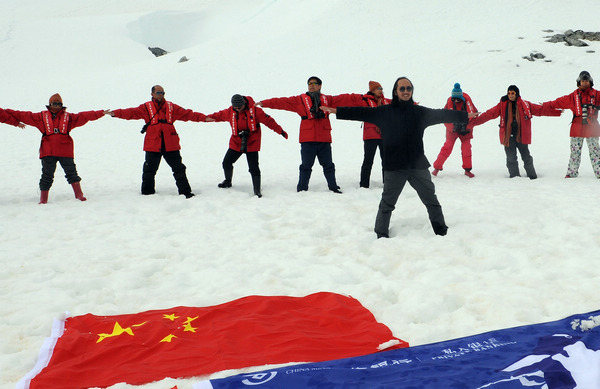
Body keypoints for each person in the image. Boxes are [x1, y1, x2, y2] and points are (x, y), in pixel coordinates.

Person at [321, 77, 478, 238]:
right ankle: (381, 235)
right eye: (402, 88)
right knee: (387, 204)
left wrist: (464, 115)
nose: (405, 91)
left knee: (431, 201)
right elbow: (361, 112)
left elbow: (442, 114)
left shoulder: (420, 112)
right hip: (395, 167)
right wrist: (337, 111)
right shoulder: (384, 112)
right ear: (396, 91)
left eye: (408, 88)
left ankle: (441, 231)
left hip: (418, 166)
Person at [256, 76, 363, 193]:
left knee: (328, 165)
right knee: (306, 165)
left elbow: (347, 98)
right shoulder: (299, 101)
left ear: (320, 86)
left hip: (324, 139)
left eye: (314, 83)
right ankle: (302, 189)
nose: (311, 85)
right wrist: (263, 103)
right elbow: (281, 102)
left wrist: (365, 98)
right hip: (307, 139)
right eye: (309, 83)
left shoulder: (329, 100)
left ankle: (333, 187)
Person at [107, 85, 207, 198]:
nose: (161, 95)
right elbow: (131, 113)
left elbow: (188, 114)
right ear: (152, 94)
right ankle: (147, 193)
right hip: (153, 144)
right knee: (149, 170)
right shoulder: (145, 107)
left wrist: (204, 118)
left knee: (179, 169)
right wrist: (115, 113)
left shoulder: (171, 107)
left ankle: (185, 192)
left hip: (171, 143)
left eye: (163, 93)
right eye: (159, 92)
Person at [6, 94, 107, 204]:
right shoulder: (40, 117)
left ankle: (79, 194)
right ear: (49, 105)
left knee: (71, 172)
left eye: (59, 104)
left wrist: (101, 113)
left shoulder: (69, 117)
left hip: (65, 150)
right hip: (48, 150)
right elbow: (22, 115)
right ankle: (43, 199)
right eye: (54, 104)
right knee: (47, 175)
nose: (57, 106)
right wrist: (6, 112)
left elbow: (84, 116)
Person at [205, 94, 288, 198]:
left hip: (252, 142)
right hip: (236, 142)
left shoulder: (256, 111)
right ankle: (227, 181)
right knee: (227, 162)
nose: (238, 109)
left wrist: (280, 131)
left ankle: (257, 190)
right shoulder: (230, 112)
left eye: (240, 107)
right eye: (236, 107)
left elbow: (269, 121)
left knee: (254, 168)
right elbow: (217, 116)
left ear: (244, 103)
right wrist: (204, 118)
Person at [470, 85, 561, 179]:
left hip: (521, 135)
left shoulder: (525, 104)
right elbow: (489, 114)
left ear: (517, 94)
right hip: (508, 136)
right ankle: (514, 178)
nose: (510, 95)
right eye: (509, 93)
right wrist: (473, 122)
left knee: (526, 157)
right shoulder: (502, 105)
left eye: (512, 93)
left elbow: (540, 110)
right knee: (511, 159)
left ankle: (532, 177)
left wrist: (556, 112)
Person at [542, 70, 600, 178]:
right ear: (579, 82)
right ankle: (571, 173)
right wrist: (546, 105)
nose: (585, 83)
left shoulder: (597, 95)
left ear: (590, 82)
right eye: (583, 81)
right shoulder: (573, 96)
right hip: (577, 127)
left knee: (595, 152)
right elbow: (558, 102)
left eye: (587, 81)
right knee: (575, 153)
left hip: (592, 127)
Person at [432, 83, 478, 178]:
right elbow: (444, 116)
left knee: (466, 149)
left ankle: (467, 170)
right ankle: (436, 168)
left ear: (461, 97)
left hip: (465, 129)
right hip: (452, 129)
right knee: (447, 148)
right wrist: (452, 127)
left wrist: (465, 126)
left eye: (458, 99)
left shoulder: (467, 101)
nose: (456, 101)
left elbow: (473, 115)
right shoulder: (449, 101)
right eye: (454, 99)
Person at [359, 81, 391, 188]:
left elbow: (399, 104)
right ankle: (364, 185)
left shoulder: (385, 101)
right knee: (368, 160)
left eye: (381, 88)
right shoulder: (365, 100)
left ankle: (387, 182)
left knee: (386, 160)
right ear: (373, 90)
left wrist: (412, 104)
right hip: (370, 135)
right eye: (379, 88)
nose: (381, 90)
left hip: (384, 135)